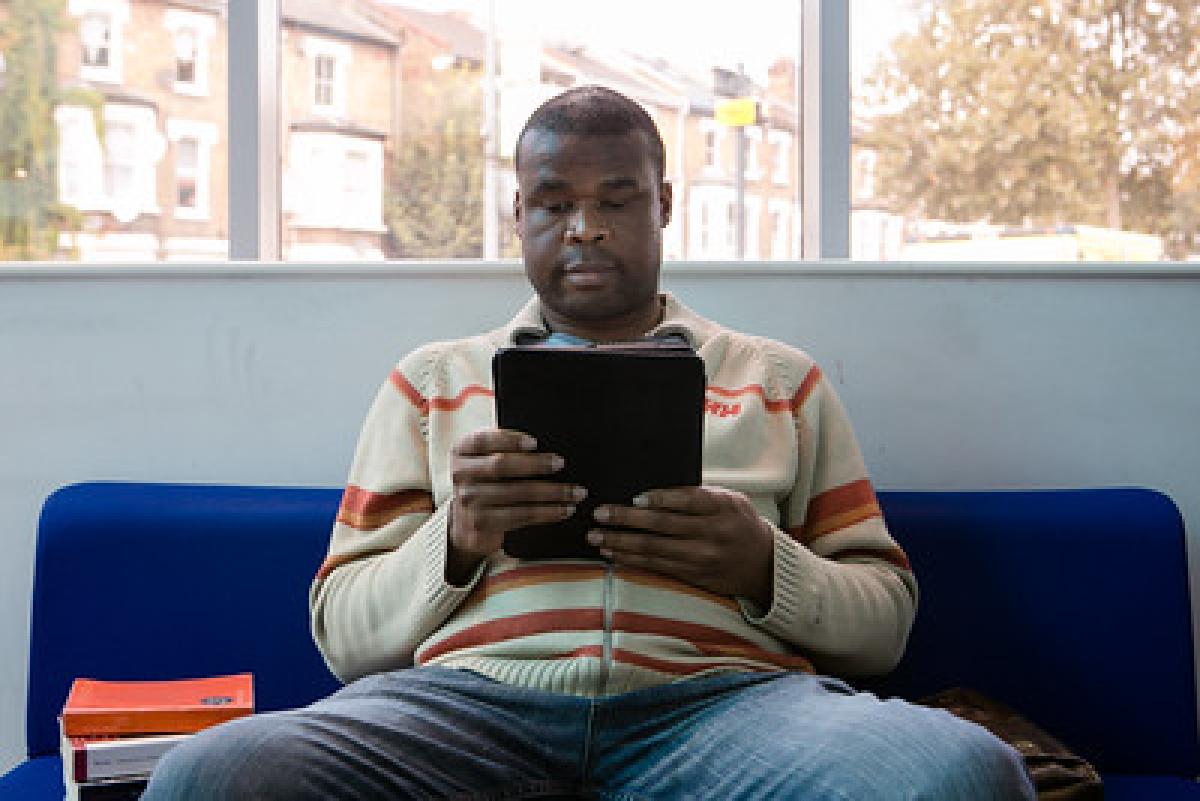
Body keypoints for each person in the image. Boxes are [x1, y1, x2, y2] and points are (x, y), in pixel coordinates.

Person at [144, 85, 1034, 800]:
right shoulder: (432, 381)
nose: (585, 228)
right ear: (520, 211)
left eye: (617, 199)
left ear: (665, 206)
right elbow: (341, 634)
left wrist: (764, 565)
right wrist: (455, 539)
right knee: (207, 775)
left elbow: (885, 624)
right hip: (463, 708)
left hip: (730, 711)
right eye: (555, 202)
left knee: (967, 773)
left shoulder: (779, 380)